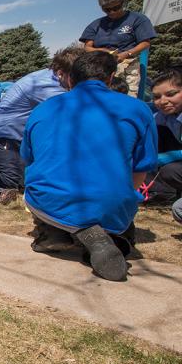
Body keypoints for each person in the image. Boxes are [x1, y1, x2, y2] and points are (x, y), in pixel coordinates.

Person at [22, 51, 157, 281]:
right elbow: (142, 167)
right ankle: (107, 234)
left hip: (51, 197)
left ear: (70, 79)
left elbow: (30, 158)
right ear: (111, 77)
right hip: (113, 200)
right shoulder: (137, 109)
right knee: (111, 210)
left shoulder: (43, 109)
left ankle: (56, 232)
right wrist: (122, 198)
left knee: (35, 192)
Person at [0, 46, 84, 190]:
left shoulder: (48, 77)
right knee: (14, 181)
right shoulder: (45, 85)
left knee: (25, 177)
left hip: (12, 137)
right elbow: (74, 111)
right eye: (78, 77)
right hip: (1, 137)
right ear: (62, 73)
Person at [80, 0, 156, 98]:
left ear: (123, 3)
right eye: (106, 9)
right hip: (101, 67)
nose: (111, 12)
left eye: (116, 8)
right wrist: (100, 50)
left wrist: (126, 54)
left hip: (128, 65)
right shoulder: (96, 24)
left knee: (128, 98)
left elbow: (145, 43)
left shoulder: (138, 19)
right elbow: (87, 47)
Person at [148, 68, 182, 223]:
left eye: (171, 94)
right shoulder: (164, 116)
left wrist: (167, 157)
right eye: (156, 97)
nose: (162, 101)